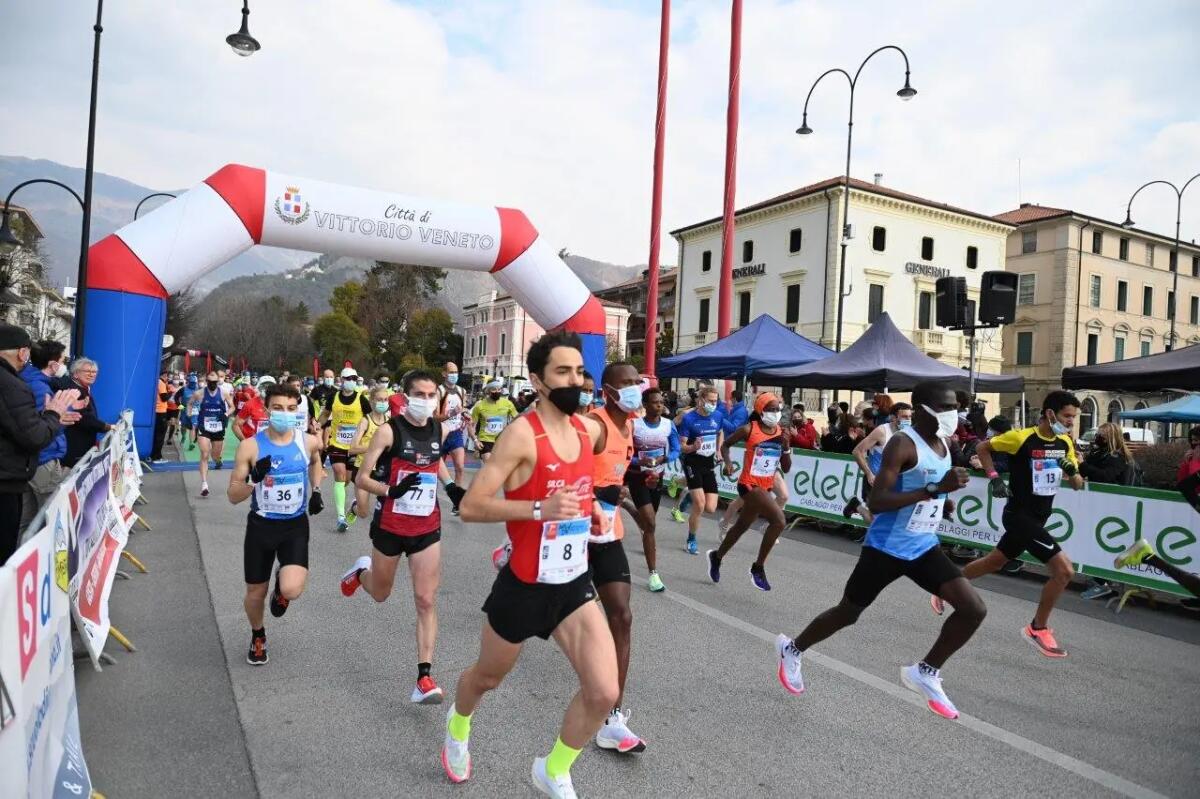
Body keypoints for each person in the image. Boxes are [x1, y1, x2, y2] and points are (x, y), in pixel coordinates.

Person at [442, 331, 616, 797]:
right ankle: (458, 724)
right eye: (563, 372)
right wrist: (539, 509)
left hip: (573, 582)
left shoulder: (586, 430)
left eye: (580, 372)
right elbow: (473, 506)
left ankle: (553, 769)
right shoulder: (522, 435)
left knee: (604, 692)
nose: (575, 381)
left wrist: (589, 506)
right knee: (487, 678)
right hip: (523, 585)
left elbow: (577, 486)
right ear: (538, 381)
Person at [776, 382, 984, 720]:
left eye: (955, 407)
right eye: (946, 407)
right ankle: (792, 648)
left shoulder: (944, 443)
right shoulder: (902, 443)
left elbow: (927, 490)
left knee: (973, 609)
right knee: (848, 613)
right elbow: (878, 501)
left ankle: (926, 671)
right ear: (922, 409)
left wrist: (942, 503)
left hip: (923, 545)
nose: (953, 414)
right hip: (886, 548)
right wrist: (934, 490)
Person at [341, 371, 466, 702]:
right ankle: (359, 573)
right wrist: (391, 489)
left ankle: (424, 677)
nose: (425, 400)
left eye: (431, 395)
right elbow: (362, 478)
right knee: (381, 593)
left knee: (425, 599)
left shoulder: (439, 428)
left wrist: (451, 486)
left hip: (426, 527)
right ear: (405, 396)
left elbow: (434, 460)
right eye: (419, 394)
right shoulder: (388, 431)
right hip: (390, 527)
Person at [942, 390, 1084, 658]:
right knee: (1064, 571)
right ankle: (1037, 628)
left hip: (1040, 516)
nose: (1071, 422)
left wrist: (1072, 470)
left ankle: (946, 587)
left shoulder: (1065, 442)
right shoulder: (1021, 437)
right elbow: (984, 447)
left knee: (994, 562)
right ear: (1050, 413)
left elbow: (1078, 485)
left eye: (1074, 418)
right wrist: (994, 476)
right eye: (1067, 416)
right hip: (1019, 515)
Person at [226, 382, 325, 665]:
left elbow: (316, 461)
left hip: (294, 525)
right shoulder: (250, 446)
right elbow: (233, 496)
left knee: (292, 589)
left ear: (298, 411)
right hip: (261, 526)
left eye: (291, 409)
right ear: (267, 410)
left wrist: (316, 490)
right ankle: (258, 634)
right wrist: (254, 479)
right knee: (255, 593)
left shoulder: (307, 441)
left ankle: (282, 587)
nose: (285, 413)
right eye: (278, 408)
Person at [585, 361, 647, 754]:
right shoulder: (593, 426)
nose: (633, 389)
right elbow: (561, 473)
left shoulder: (630, 428)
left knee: (621, 616)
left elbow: (614, 477)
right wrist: (590, 497)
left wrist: (621, 496)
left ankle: (612, 718)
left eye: (636, 383)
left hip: (606, 532)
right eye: (625, 384)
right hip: (573, 532)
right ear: (607, 391)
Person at [0, 324, 81, 563]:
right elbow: (33, 435)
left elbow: (21, 423)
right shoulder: (14, 385)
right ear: (22, 353)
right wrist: (54, 415)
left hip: (14, 476)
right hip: (11, 478)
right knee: (43, 517)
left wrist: (53, 419)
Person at [710, 393, 791, 591]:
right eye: (771, 409)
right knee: (779, 521)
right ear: (760, 411)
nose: (775, 413)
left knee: (740, 527)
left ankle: (717, 557)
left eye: (777, 409)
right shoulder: (749, 429)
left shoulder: (781, 433)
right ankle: (758, 568)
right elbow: (725, 444)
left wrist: (787, 447)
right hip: (748, 484)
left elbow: (786, 468)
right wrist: (728, 463)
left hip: (765, 486)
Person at [626, 387, 679, 593]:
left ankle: (631, 509)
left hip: (658, 476)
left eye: (661, 402)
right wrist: (640, 460)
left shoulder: (668, 425)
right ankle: (653, 574)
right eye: (655, 402)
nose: (659, 405)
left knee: (650, 523)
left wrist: (665, 458)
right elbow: (625, 453)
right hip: (638, 477)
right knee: (650, 524)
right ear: (645, 405)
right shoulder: (634, 426)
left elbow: (675, 449)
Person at [19, 340, 74, 530]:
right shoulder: (40, 388)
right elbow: (42, 427)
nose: (65, 364)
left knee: (27, 519)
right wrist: (61, 420)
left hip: (30, 460)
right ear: (53, 365)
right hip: (44, 459)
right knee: (50, 519)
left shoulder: (28, 380)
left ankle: (19, 558)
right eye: (63, 360)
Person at [316, 367, 371, 532]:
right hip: (337, 444)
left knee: (347, 479)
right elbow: (325, 414)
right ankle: (341, 517)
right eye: (348, 378)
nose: (352, 381)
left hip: (354, 447)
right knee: (339, 476)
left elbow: (369, 419)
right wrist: (318, 423)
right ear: (341, 380)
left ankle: (352, 506)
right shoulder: (334, 396)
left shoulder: (362, 399)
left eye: (354, 378)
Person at [676, 384, 724, 555]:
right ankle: (691, 539)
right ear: (701, 400)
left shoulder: (717, 416)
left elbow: (720, 432)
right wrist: (693, 447)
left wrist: (718, 450)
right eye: (710, 400)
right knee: (701, 505)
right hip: (692, 463)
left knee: (711, 508)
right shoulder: (689, 419)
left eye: (715, 401)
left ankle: (688, 494)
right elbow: (682, 446)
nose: (713, 403)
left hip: (708, 464)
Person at [846, 403, 913, 526]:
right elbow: (857, 451)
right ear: (894, 418)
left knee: (892, 520)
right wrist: (869, 474)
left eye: (910, 417)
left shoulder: (909, 433)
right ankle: (857, 506)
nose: (908, 420)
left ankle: (856, 505)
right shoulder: (882, 431)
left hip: (894, 484)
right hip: (875, 480)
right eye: (904, 417)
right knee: (876, 521)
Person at [346, 385, 390, 526]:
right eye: (379, 400)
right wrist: (374, 447)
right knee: (363, 513)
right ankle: (354, 508)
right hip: (363, 470)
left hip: (383, 470)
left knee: (390, 507)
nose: (383, 403)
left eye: (385, 399)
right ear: (371, 401)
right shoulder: (365, 421)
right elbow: (352, 449)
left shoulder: (390, 421)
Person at [62, 358, 111, 468]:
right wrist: (106, 426)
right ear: (75, 374)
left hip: (82, 442)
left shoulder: (84, 388)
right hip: (74, 445)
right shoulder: (74, 390)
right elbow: (83, 418)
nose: (91, 374)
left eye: (94, 372)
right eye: (87, 371)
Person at [193, 370, 235, 498]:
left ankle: (218, 460)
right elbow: (190, 404)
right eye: (210, 382)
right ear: (207, 381)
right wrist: (192, 415)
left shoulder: (223, 393)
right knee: (204, 454)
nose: (212, 384)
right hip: (204, 427)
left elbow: (233, 407)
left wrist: (226, 414)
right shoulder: (199, 393)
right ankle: (204, 484)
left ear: (218, 382)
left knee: (215, 456)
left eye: (214, 382)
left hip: (218, 427)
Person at [436, 362, 469, 497]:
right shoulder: (439, 391)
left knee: (460, 467)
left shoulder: (462, 391)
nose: (454, 375)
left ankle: (457, 499)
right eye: (451, 372)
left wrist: (465, 415)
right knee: (434, 469)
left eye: (456, 372)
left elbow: (463, 409)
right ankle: (433, 495)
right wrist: (451, 413)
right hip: (440, 433)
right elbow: (434, 417)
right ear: (444, 374)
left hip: (456, 433)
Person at [469, 381, 518, 461]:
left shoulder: (508, 404)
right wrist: (475, 440)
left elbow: (517, 419)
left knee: (500, 467)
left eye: (499, 389)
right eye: (494, 389)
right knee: (489, 463)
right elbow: (471, 426)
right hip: (485, 439)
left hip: (502, 439)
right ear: (488, 391)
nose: (497, 391)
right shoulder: (479, 405)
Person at [150, 369, 172, 462]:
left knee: (156, 435)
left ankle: (152, 455)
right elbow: (164, 398)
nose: (168, 378)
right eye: (167, 376)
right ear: (164, 375)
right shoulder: (161, 383)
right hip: (161, 411)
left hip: (155, 411)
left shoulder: (155, 381)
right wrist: (170, 392)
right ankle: (157, 457)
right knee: (160, 435)